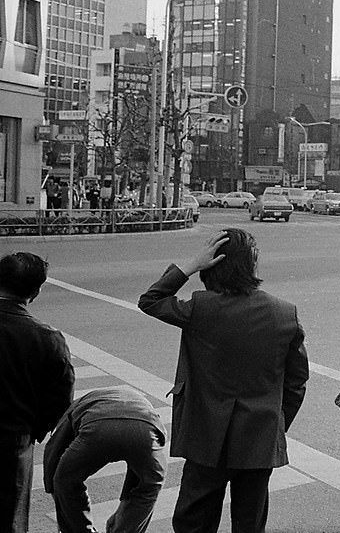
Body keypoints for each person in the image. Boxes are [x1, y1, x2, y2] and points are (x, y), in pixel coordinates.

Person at [138, 228, 309, 533]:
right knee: (249, 523)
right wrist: (276, 423)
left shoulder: (200, 308)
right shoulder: (285, 314)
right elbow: (296, 382)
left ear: (213, 265)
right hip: (259, 439)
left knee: (194, 522)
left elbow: (151, 301)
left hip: (205, 436)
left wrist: (191, 264)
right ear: (252, 265)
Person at [0, 252, 76, 532]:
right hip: (13, 442)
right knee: (9, 517)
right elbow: (60, 400)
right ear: (35, 292)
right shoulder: (47, 339)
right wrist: (37, 428)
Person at [43, 387, 167, 533]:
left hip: (97, 429)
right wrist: (123, 509)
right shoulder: (127, 398)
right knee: (149, 486)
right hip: (146, 429)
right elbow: (139, 475)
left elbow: (53, 458)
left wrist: (65, 508)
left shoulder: (70, 410)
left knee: (65, 480)